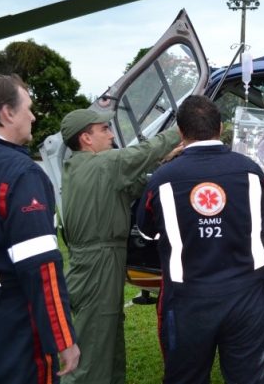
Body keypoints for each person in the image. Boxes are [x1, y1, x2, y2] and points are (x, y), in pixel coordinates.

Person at [136, 95, 264, 384]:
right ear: (221, 127)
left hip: (188, 300)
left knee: (186, 378)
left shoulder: (163, 178)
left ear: (180, 132)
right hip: (247, 296)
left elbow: (148, 233)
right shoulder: (251, 171)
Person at [59, 108, 183, 383]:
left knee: (109, 338)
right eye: (104, 129)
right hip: (98, 265)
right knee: (92, 349)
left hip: (98, 262)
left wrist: (165, 162)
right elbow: (143, 152)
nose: (112, 134)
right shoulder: (102, 164)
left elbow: (134, 184)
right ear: (86, 138)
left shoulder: (82, 166)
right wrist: (181, 129)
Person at [0, 73, 80, 382]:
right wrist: (62, 337)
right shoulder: (21, 174)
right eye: (29, 108)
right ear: (6, 113)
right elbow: (39, 265)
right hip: (13, 327)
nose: (34, 117)